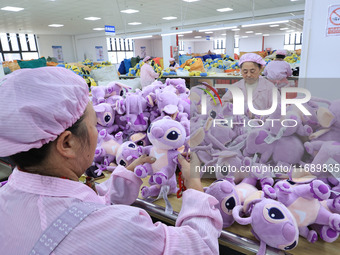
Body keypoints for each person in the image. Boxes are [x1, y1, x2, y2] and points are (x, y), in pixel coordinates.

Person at [0, 67, 222, 254]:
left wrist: (124, 179)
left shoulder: (7, 199)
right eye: (94, 125)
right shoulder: (123, 229)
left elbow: (75, 215)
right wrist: (195, 189)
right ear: (67, 143)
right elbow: (199, 247)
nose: (97, 133)